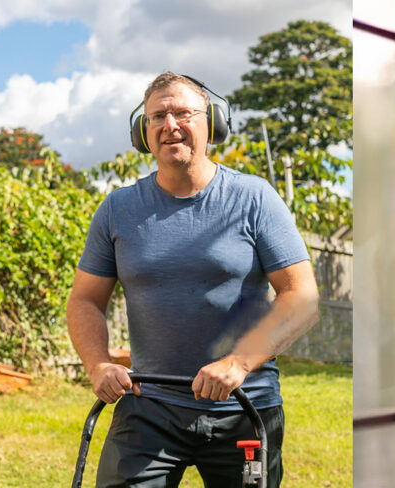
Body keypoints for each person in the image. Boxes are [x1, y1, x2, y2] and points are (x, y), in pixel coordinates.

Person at [66, 71, 319, 487]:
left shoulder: (254, 198)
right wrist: (98, 365)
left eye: (184, 112)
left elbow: (300, 295)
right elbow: (85, 300)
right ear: (142, 132)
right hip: (149, 408)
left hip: (244, 408)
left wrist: (239, 362)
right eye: (157, 116)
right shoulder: (117, 209)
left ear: (213, 123)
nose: (170, 125)